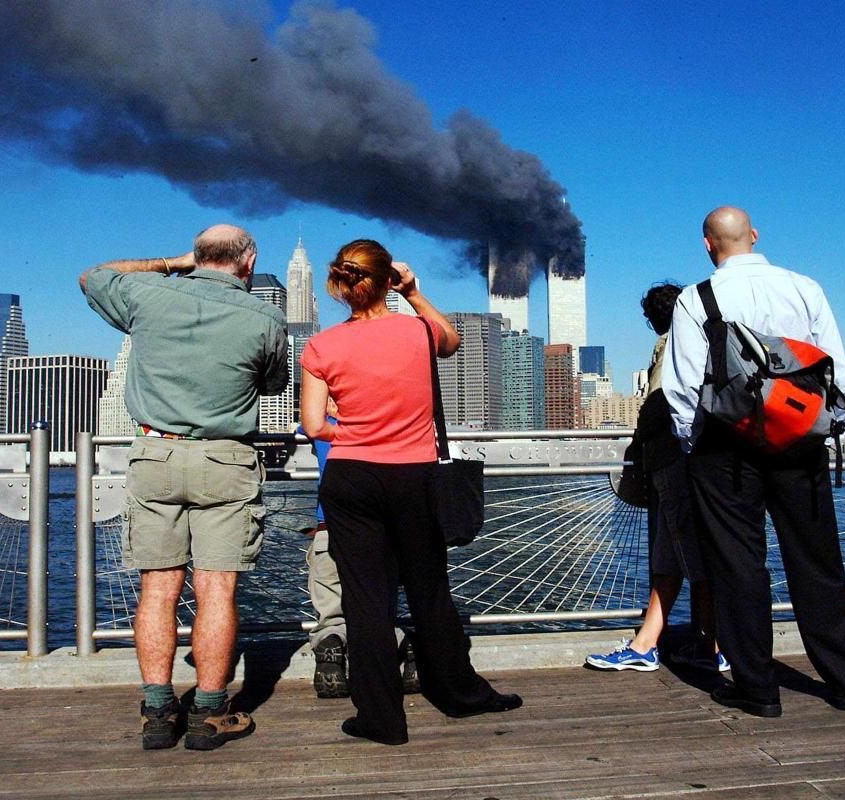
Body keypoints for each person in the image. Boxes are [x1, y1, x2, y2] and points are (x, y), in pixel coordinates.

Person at [300, 239, 521, 746]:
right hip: (414, 478)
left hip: (351, 478)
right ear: (384, 281)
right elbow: (452, 340)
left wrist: (353, 430)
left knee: (364, 601)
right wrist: (415, 291)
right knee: (429, 591)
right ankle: (461, 695)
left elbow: (314, 424)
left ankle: (381, 719)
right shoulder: (418, 330)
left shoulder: (322, 346)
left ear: (342, 285)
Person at [80, 224, 287, 751]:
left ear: (196, 256)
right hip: (227, 459)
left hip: (156, 455)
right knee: (216, 588)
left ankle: (157, 712)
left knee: (158, 587)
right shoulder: (265, 316)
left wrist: (170, 264)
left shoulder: (149, 295)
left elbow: (93, 276)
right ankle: (211, 713)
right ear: (250, 261)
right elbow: (273, 383)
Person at [662, 207, 845, 717]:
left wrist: (696, 447)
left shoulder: (696, 298)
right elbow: (834, 366)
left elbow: (684, 385)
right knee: (817, 560)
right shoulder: (806, 288)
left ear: (708, 245)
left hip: (726, 448)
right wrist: (830, 425)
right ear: (754, 236)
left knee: (738, 566)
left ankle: (757, 687)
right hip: (801, 440)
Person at [585, 283, 728, 674]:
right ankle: (683, 643)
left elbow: (665, 400)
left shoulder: (673, 342)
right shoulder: (705, 336)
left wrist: (640, 438)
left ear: (653, 317)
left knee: (688, 552)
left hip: (676, 459)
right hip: (698, 459)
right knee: (675, 554)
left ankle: (708, 645)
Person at [296, 407, 418, 698]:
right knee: (376, 609)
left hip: (330, 526)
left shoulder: (323, 424)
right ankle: (405, 645)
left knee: (330, 608)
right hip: (380, 530)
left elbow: (306, 427)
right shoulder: (387, 419)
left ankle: (331, 645)